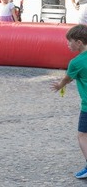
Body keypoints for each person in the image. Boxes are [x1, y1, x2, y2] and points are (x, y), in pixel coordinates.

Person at [51, 24, 87, 179]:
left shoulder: (76, 63)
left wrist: (59, 85)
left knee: (82, 135)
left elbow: (67, 78)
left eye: (69, 41)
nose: (67, 44)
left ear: (79, 43)